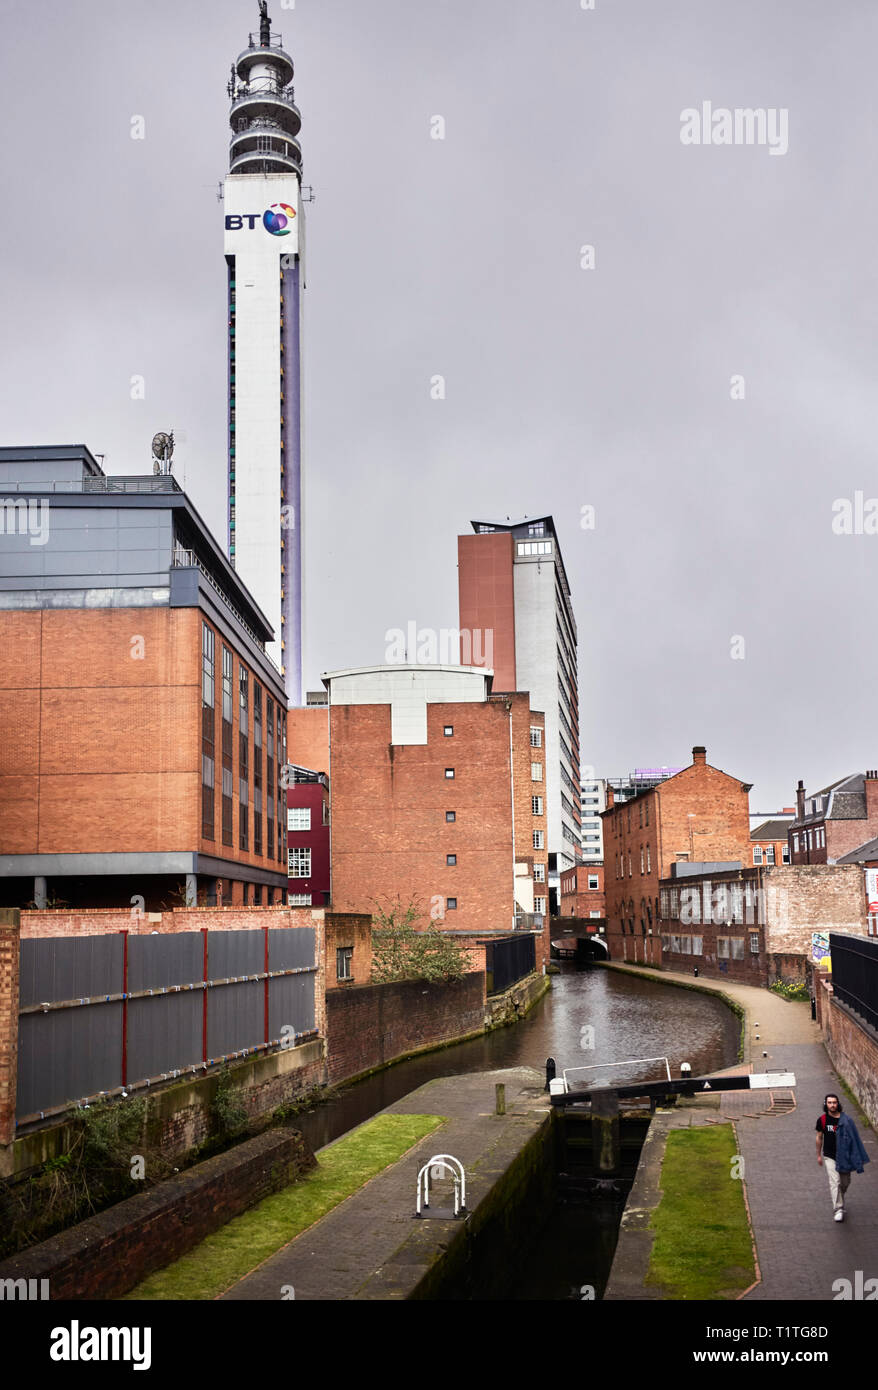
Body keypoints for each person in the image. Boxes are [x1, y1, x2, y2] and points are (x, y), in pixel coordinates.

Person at [815, 1093, 870, 1222]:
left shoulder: (846, 1120)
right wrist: (818, 1154)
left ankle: (840, 1197)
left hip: (844, 1156)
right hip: (830, 1156)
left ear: (838, 1104)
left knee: (845, 1183)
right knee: (835, 1182)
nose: (832, 1105)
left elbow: (855, 1139)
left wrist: (855, 1156)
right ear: (825, 1104)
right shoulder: (822, 1120)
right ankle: (838, 1208)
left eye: (834, 1102)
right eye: (829, 1103)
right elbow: (819, 1137)